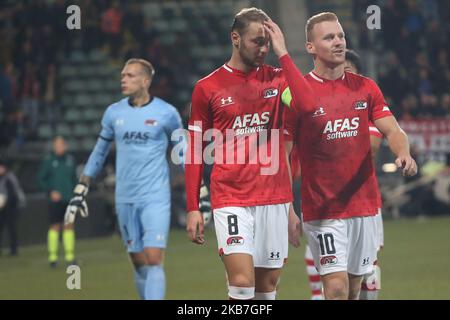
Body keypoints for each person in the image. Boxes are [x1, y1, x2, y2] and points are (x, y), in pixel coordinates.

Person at [264, 12, 417, 299]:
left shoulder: (365, 87)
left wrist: (404, 154)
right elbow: (282, 156)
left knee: (354, 289)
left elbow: (394, 131)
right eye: (329, 37)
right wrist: (287, 209)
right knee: (335, 289)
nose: (338, 42)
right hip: (322, 209)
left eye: (340, 36)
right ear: (310, 47)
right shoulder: (297, 94)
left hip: (364, 206)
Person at [185, 8, 313, 300]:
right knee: (242, 284)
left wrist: (284, 54)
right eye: (258, 41)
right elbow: (193, 149)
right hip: (231, 196)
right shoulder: (207, 88)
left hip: (275, 198)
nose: (264, 49)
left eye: (268, 42)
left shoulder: (279, 81)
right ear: (235, 38)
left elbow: (307, 105)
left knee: (266, 290)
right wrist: (193, 205)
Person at [64, 58, 185, 300]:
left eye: (130, 75)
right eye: (123, 75)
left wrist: (198, 187)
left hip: (155, 196)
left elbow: (183, 151)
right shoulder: (113, 112)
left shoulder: (167, 113)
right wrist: (82, 185)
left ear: (145, 81)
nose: (124, 79)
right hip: (125, 197)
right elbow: (99, 152)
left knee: (153, 258)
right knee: (138, 261)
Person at [37, 136, 78, 267]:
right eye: (56, 145)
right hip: (55, 201)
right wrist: (50, 191)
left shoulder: (71, 161)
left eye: (61, 144)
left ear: (65, 146)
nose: (59, 147)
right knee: (55, 226)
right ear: (54, 146)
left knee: (69, 226)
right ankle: (53, 257)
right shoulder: (49, 161)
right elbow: (40, 180)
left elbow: (74, 179)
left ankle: (70, 256)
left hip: (69, 199)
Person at [0, 156, 26, 256]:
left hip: (12, 206)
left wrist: (5, 203)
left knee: (12, 228)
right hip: (3, 207)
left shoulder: (9, 177)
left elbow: (14, 194)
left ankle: (14, 250)